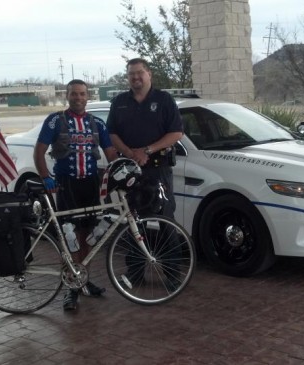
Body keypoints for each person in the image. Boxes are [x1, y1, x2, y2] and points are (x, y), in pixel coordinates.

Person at [34, 79, 118, 311]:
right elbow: (39, 151)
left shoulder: (97, 123)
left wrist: (123, 171)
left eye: (82, 94)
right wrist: (46, 177)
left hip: (90, 185)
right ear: (67, 96)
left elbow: (110, 153)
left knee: (87, 234)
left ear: (87, 96)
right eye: (74, 94)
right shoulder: (55, 120)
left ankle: (83, 279)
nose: (78, 98)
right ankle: (70, 288)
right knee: (69, 237)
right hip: (66, 185)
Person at [106, 58, 183, 289]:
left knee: (166, 219)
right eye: (131, 74)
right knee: (132, 221)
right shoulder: (119, 102)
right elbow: (111, 133)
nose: (135, 78)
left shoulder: (164, 100)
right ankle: (136, 272)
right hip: (131, 170)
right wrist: (130, 153)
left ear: (149, 74)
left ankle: (172, 274)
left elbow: (177, 132)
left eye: (140, 73)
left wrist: (147, 150)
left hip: (158, 169)